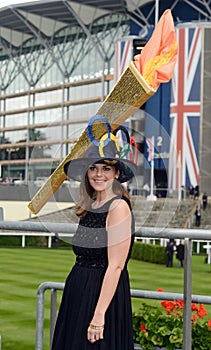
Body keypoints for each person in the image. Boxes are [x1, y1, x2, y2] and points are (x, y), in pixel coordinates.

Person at [51, 123, 137, 350]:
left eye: (106, 169)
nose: (99, 174)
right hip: (78, 291)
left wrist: (99, 316)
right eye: (93, 168)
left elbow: (116, 267)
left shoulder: (118, 207)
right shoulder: (89, 206)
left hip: (102, 297)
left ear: (117, 173)